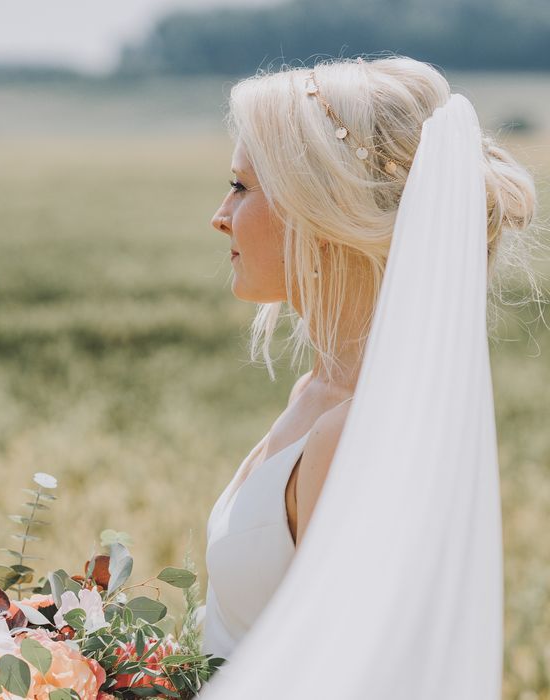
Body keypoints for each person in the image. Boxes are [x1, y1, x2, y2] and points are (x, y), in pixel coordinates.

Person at [197, 55, 542, 699]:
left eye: (241, 187)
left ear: (320, 208)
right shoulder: (317, 395)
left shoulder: (356, 430)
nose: (221, 215)